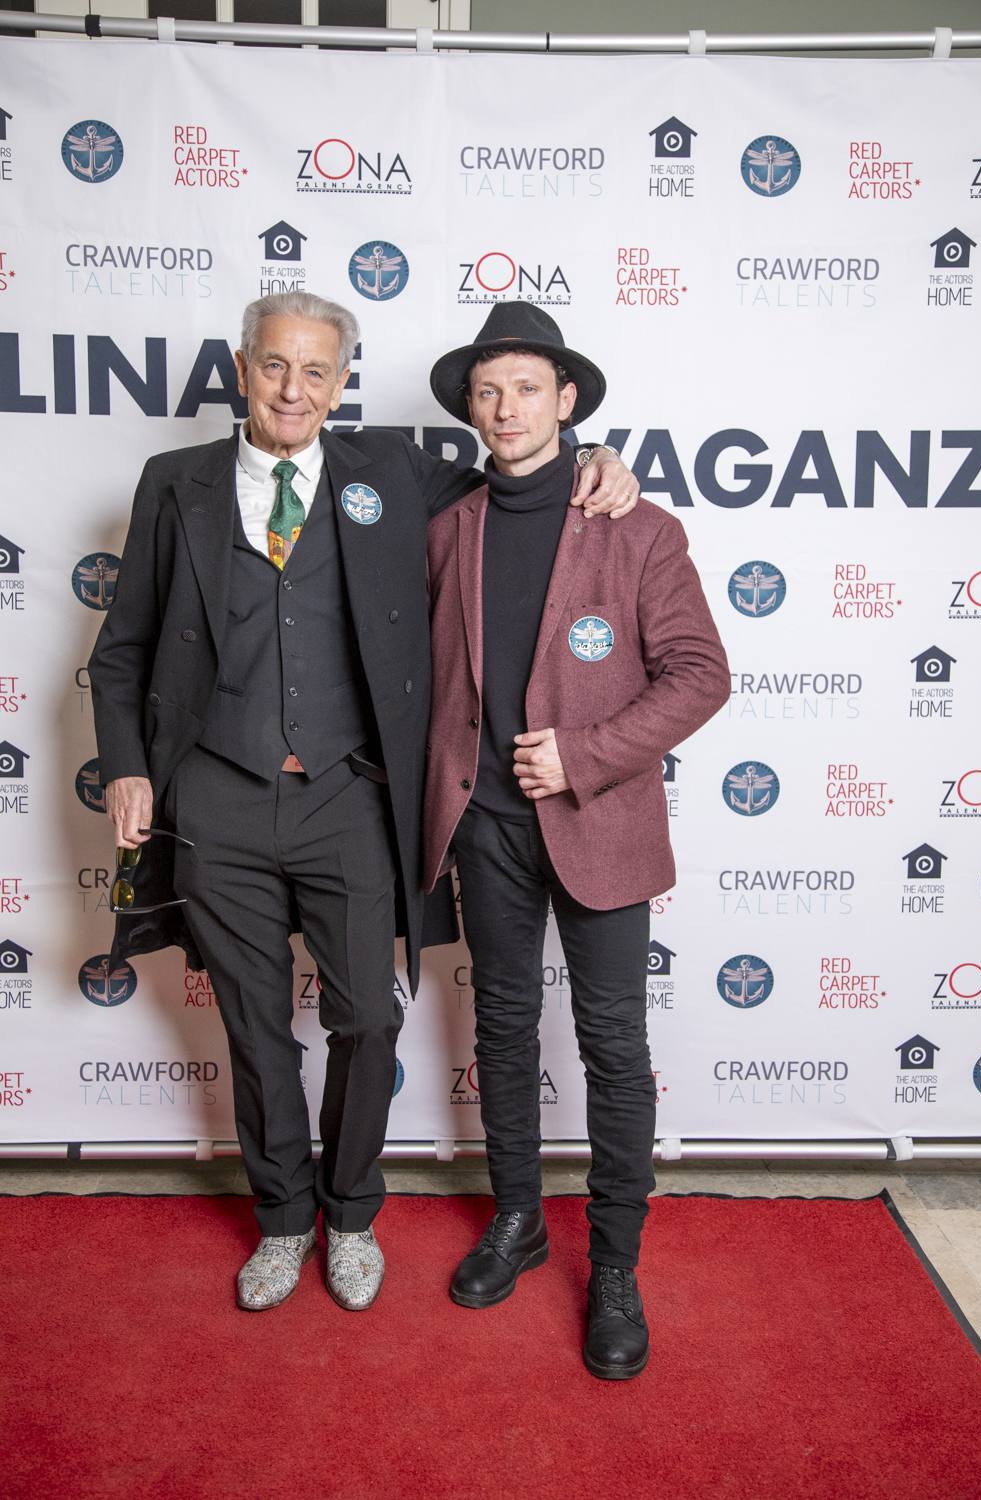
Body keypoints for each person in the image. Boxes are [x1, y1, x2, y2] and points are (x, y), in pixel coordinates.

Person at [88, 291, 637, 1315]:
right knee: (255, 1028)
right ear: (243, 371)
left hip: (348, 798)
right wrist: (126, 766)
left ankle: (349, 1217)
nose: (293, 390)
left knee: (367, 1021)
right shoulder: (174, 482)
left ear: (342, 383)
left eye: (317, 371)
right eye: (274, 366)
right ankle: (282, 1220)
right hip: (218, 799)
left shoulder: (390, 468)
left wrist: (600, 459)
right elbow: (122, 651)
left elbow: (518, 478)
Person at [423, 302, 730, 1379]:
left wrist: (585, 754)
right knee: (504, 1028)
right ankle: (518, 1219)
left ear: (566, 400)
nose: (505, 408)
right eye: (487, 391)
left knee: (612, 1046)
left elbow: (701, 674)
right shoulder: (447, 523)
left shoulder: (637, 528)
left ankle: (614, 1266)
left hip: (599, 820)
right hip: (484, 825)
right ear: (470, 408)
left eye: (525, 388)